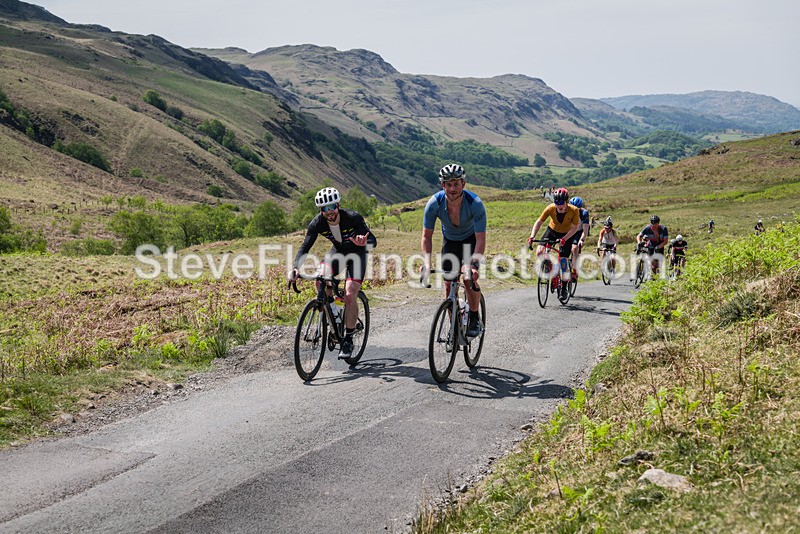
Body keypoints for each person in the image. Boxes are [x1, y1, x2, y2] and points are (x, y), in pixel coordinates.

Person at [291, 187, 377, 357]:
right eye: (324, 209)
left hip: (357, 254)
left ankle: (349, 339)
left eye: (332, 207)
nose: (329, 212)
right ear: (320, 210)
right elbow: (305, 246)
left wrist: (363, 243)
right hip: (337, 252)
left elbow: (373, 241)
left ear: (338, 205)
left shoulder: (352, 217)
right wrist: (295, 267)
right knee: (320, 279)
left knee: (350, 293)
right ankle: (335, 314)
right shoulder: (317, 223)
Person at [421, 164, 486, 338]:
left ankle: (474, 316)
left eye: (456, 184)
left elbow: (481, 239)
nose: (452, 189)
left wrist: (473, 265)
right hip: (450, 242)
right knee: (449, 284)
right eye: (448, 184)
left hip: (470, 242)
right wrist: (426, 263)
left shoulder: (475, 203)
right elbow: (426, 237)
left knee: (468, 277)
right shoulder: (434, 203)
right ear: (442, 185)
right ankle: (454, 326)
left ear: (463, 184)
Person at [527, 187, 581, 300]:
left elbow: (575, 228)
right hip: (552, 230)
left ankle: (564, 288)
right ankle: (550, 268)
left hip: (567, 234)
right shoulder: (551, 208)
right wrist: (532, 236)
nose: (559, 205)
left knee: (564, 262)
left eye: (561, 202)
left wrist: (565, 239)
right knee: (539, 251)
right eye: (556, 202)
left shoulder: (574, 210)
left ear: (566, 201)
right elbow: (539, 222)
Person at [568, 196, 590, 282]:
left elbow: (585, 231)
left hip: (578, 232)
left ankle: (574, 271)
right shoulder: (567, 212)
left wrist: (582, 240)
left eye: (577, 209)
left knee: (574, 249)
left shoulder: (584, 213)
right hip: (569, 231)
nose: (575, 210)